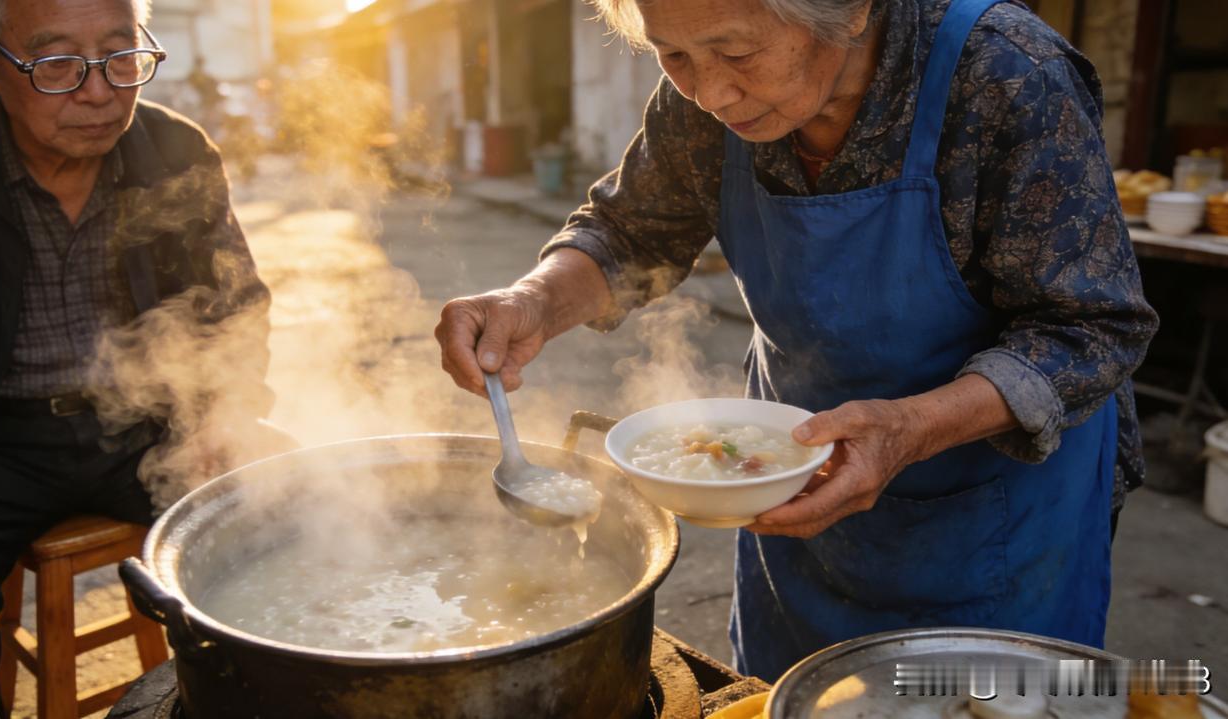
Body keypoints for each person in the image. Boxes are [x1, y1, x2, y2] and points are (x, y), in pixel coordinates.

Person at [436, 0, 1159, 682]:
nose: (710, 91)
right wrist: (531, 300)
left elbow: (1089, 324)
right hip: (795, 482)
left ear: (850, 11)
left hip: (994, 515)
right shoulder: (703, 103)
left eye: (737, 50)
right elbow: (629, 232)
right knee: (781, 691)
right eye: (673, 55)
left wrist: (907, 428)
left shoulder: (1009, 75)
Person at [0, 0, 271, 715]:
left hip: (146, 430)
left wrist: (224, 410)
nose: (99, 93)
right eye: (59, 63)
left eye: (121, 56)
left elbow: (237, 305)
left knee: (292, 509)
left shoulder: (177, 152)